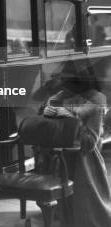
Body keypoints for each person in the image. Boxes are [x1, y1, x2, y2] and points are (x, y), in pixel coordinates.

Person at [42, 67, 111, 227]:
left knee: (87, 211)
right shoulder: (57, 98)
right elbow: (47, 133)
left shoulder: (96, 99)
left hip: (84, 162)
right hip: (61, 159)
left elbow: (88, 143)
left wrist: (68, 116)